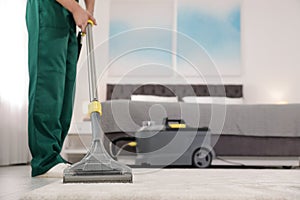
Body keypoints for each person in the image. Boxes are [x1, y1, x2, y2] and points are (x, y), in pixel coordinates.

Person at [26, 0, 97, 177]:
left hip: (69, 14)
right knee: (48, 84)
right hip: (48, 8)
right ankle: (44, 160)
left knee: (65, 87)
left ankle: (53, 155)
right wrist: (76, 8)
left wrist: (88, 11)